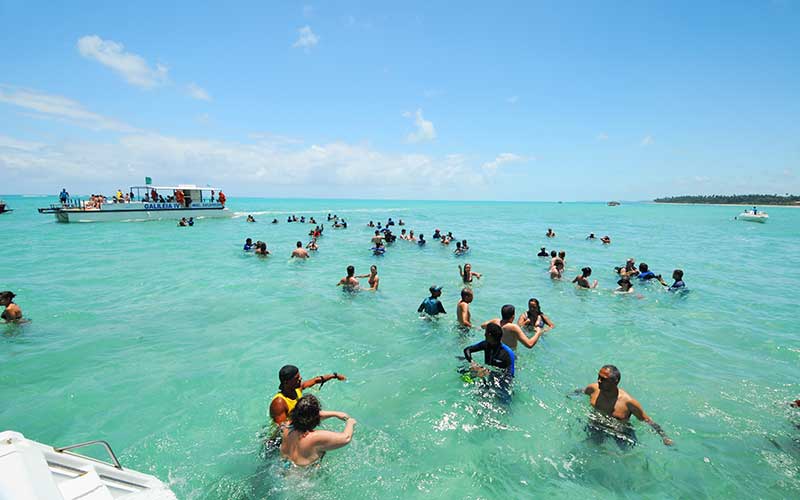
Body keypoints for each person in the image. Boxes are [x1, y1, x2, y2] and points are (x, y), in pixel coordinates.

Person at [581, 365, 673, 446]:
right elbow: (580, 391)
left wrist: (664, 437)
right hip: (596, 425)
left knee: (626, 455)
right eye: (598, 377)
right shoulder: (593, 389)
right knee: (593, 447)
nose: (599, 381)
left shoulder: (628, 402)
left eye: (603, 379)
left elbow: (647, 420)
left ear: (615, 382)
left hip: (620, 432)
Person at [280, 394, 356, 467]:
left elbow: (306, 415)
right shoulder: (314, 438)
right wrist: (350, 422)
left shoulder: (287, 426)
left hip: (286, 470)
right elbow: (346, 438)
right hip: (304, 478)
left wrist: (335, 414)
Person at [269, 365, 347, 427]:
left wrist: (334, 376)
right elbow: (282, 428)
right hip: (279, 442)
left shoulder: (297, 389)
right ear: (286, 382)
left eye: (299, 376)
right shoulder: (279, 403)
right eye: (296, 378)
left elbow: (316, 380)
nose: (300, 378)